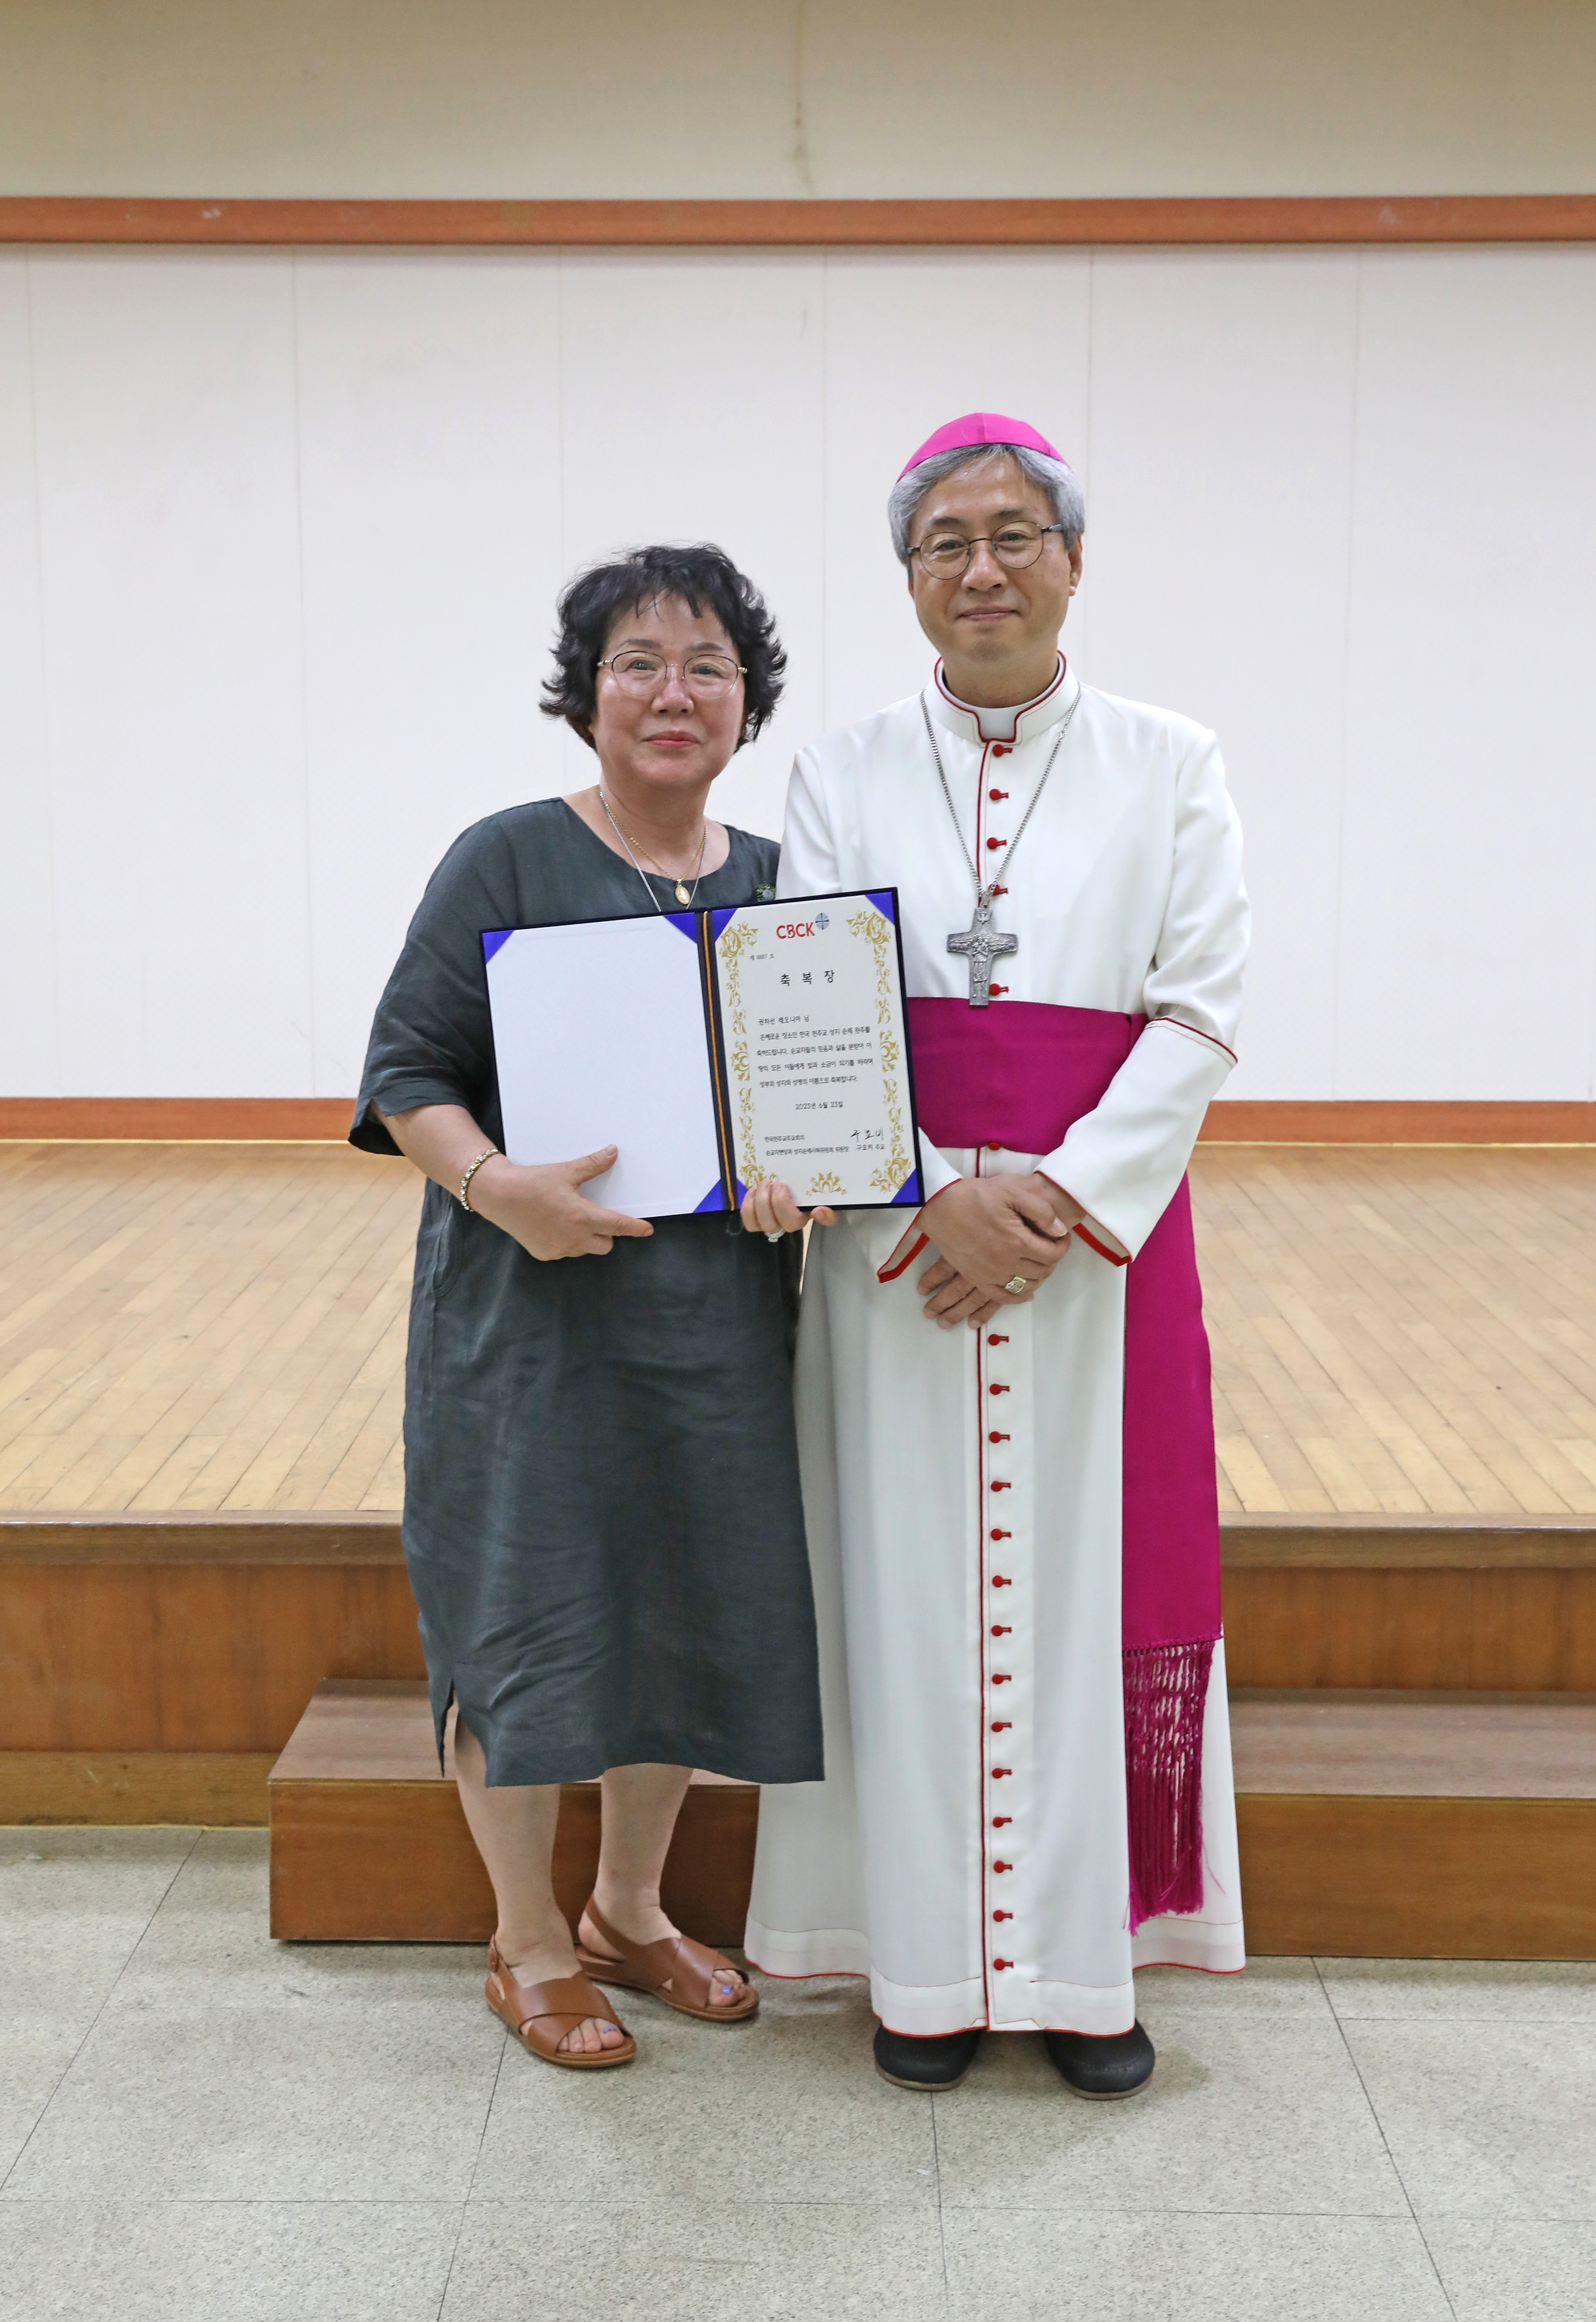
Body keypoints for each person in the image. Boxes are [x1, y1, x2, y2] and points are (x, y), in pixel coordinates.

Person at [741, 413, 1250, 2096]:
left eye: (1012, 534)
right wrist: (937, 1191)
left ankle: (1082, 1972)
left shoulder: (1174, 760)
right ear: (907, 579)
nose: (981, 568)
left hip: (1092, 1259)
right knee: (898, 1593)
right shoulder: (838, 767)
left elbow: (1195, 1012)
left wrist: (1048, 1204)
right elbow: (813, 1005)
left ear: (1071, 558)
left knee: (1091, 1585)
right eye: (945, 541)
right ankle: (924, 1968)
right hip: (897, 1256)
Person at [352, 544, 822, 2071]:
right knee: (526, 1608)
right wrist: (499, 1189)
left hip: (716, 1327)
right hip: (527, 1321)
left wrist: (795, 1175)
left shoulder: (774, 885)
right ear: (587, 695)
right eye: (638, 663)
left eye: (705, 665)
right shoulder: (502, 856)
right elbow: (404, 1077)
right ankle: (528, 1939)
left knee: (685, 1604)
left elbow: (808, 1102)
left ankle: (629, 1907)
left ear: (746, 701)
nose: (672, 693)